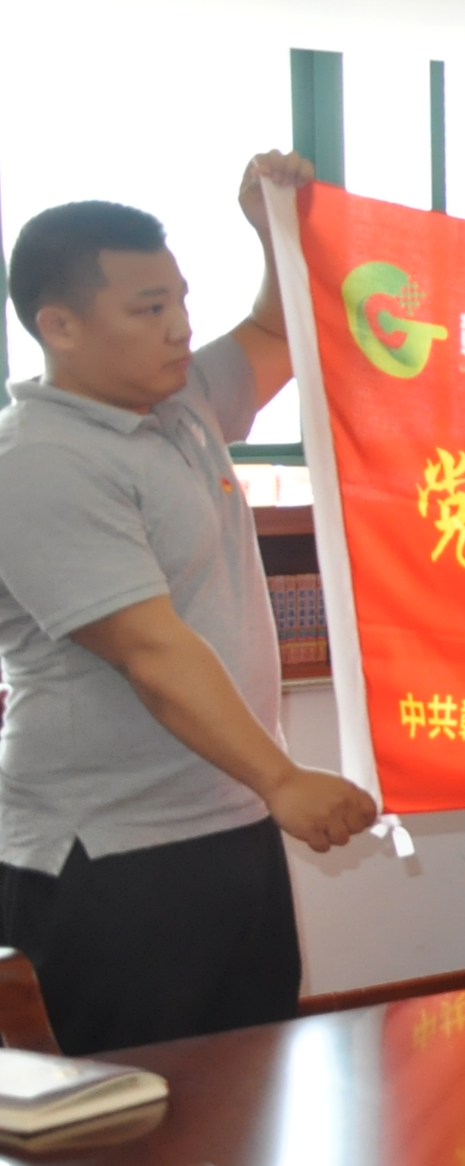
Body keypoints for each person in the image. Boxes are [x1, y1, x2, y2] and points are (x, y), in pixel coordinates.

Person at [0, 163, 377, 1054]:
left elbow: (274, 332)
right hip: (112, 851)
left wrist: (271, 227)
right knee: (134, 1108)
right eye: (148, 308)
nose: (180, 326)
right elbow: (150, 651)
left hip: (228, 818)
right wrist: (282, 779)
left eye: (179, 300)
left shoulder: (181, 403)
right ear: (60, 326)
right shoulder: (41, 460)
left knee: (253, 1084)